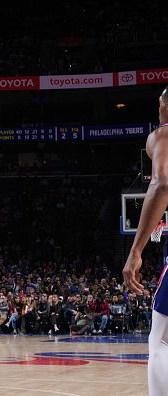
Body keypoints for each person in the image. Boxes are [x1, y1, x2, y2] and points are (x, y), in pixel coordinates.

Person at [123, 86, 168, 396]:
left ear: (163, 105)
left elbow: (161, 181)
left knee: (161, 340)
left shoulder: (162, 134)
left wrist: (136, 251)